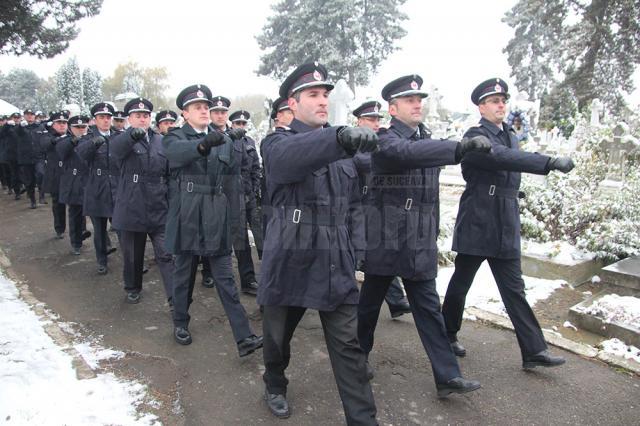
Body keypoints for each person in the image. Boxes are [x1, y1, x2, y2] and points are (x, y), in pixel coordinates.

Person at [259, 62, 378, 424]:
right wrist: (338, 138)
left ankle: (363, 419)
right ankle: (275, 383)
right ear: (292, 104)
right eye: (313, 94)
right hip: (290, 256)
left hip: (333, 257)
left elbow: (355, 204)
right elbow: (287, 162)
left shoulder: (345, 150)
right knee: (277, 338)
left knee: (349, 345)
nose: (322, 100)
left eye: (325, 94)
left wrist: (356, 246)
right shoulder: (277, 142)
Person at [358, 75, 489, 398]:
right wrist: (458, 148)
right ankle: (357, 358)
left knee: (429, 308)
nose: (418, 104)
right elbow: (407, 154)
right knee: (369, 305)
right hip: (386, 237)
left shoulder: (427, 139)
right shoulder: (385, 140)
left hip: (417, 239)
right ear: (392, 108)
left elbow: (429, 195)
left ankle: (447, 376)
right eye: (409, 100)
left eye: (420, 99)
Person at [441, 78, 574, 369]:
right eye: (494, 101)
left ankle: (534, 351)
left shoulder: (511, 135)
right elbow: (502, 158)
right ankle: (447, 335)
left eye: (503, 100)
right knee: (461, 282)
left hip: (506, 220)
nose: (501, 105)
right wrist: (548, 161)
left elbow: (511, 154)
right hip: (479, 218)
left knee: (515, 289)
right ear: (481, 106)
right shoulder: (475, 136)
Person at [162, 84, 263, 356]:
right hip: (187, 211)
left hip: (216, 212)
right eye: (197, 107)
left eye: (206, 106)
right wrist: (203, 144)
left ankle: (244, 337)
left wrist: (233, 219)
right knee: (183, 274)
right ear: (184, 113)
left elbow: (231, 181)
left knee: (225, 278)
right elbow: (175, 155)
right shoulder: (174, 137)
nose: (204, 110)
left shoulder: (224, 140)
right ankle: (180, 322)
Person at [351, 100, 412, 319]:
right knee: (350, 258)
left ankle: (395, 302)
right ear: (359, 121)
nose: (376, 123)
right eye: (370, 119)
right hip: (353, 213)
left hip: (374, 212)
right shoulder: (353, 144)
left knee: (380, 257)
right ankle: (341, 306)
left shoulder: (382, 143)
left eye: (378, 119)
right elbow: (364, 163)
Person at [110, 98, 174, 304]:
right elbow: (115, 151)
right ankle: (133, 286)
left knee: (167, 255)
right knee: (133, 255)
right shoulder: (122, 139)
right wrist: (131, 136)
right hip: (132, 205)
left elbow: (169, 170)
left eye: (145, 116)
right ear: (129, 119)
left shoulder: (160, 140)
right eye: (137, 116)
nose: (142, 119)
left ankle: (175, 299)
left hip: (159, 205)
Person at [209, 97, 258, 295]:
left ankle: (248, 279)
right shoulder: (205, 135)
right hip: (212, 197)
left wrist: (247, 193)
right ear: (211, 114)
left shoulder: (236, 137)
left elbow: (245, 167)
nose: (220, 115)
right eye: (216, 112)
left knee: (241, 240)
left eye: (223, 112)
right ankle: (213, 274)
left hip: (235, 195)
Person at [77, 102, 119, 274]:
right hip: (97, 187)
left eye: (108, 117)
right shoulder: (88, 138)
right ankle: (102, 261)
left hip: (116, 186)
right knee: (100, 229)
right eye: (102, 117)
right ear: (95, 120)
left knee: (124, 228)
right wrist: (94, 143)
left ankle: (133, 262)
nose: (106, 120)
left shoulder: (117, 136)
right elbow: (81, 155)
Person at [229, 109, 263, 295]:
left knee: (261, 236)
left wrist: (255, 189)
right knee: (241, 240)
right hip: (234, 198)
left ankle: (267, 276)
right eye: (238, 123)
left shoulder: (250, 142)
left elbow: (256, 168)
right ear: (232, 124)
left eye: (244, 124)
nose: (241, 127)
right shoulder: (227, 141)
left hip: (250, 196)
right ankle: (248, 280)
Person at [56, 115, 92, 255]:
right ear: (71, 128)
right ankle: (76, 242)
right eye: (77, 127)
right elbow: (61, 151)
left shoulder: (90, 138)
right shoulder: (65, 140)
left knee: (97, 214)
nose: (81, 129)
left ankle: (104, 243)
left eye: (83, 127)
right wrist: (73, 141)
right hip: (74, 181)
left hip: (90, 179)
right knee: (76, 213)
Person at [41, 111, 70, 238]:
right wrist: (57, 140)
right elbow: (44, 145)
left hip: (71, 174)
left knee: (77, 204)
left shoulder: (71, 135)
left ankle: (80, 230)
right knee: (58, 204)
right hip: (56, 175)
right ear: (53, 124)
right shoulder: (48, 136)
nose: (62, 125)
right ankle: (59, 229)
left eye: (64, 123)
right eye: (59, 123)